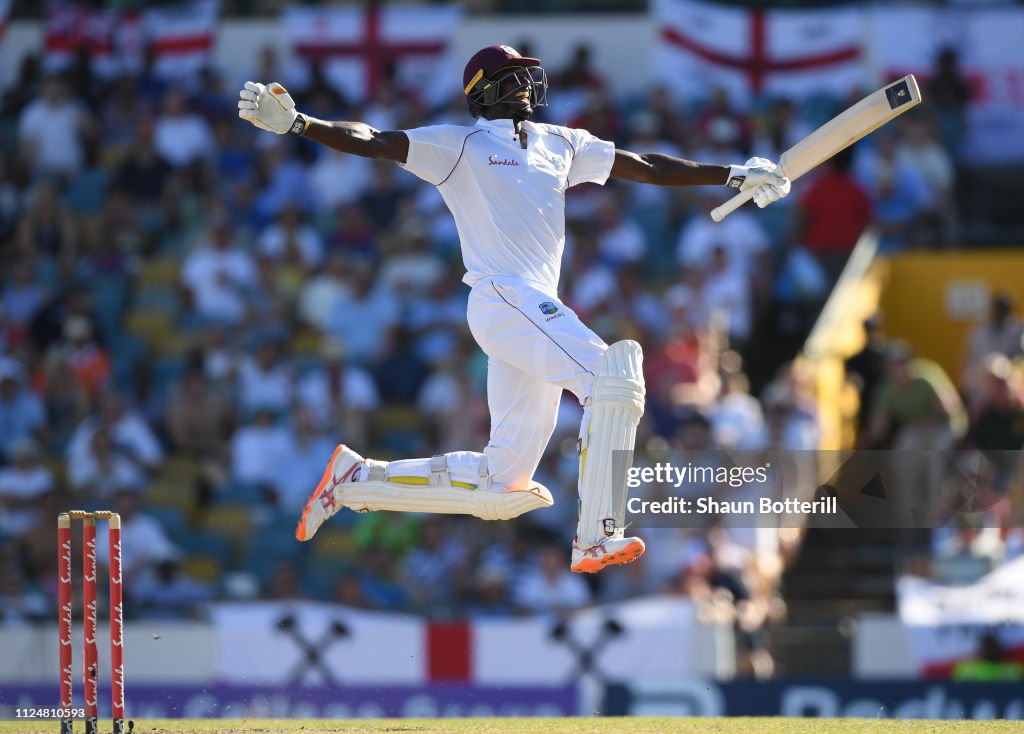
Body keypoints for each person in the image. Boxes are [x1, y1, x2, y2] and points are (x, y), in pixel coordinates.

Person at [238, 45, 791, 573]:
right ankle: (597, 533)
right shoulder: (459, 146)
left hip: (530, 312)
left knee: (501, 485)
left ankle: (356, 478)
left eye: (529, 75)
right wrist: (299, 124)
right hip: (501, 297)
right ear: (481, 93)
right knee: (610, 375)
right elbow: (376, 140)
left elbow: (644, 165)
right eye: (513, 77)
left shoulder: (561, 142)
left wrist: (732, 174)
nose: (527, 85)